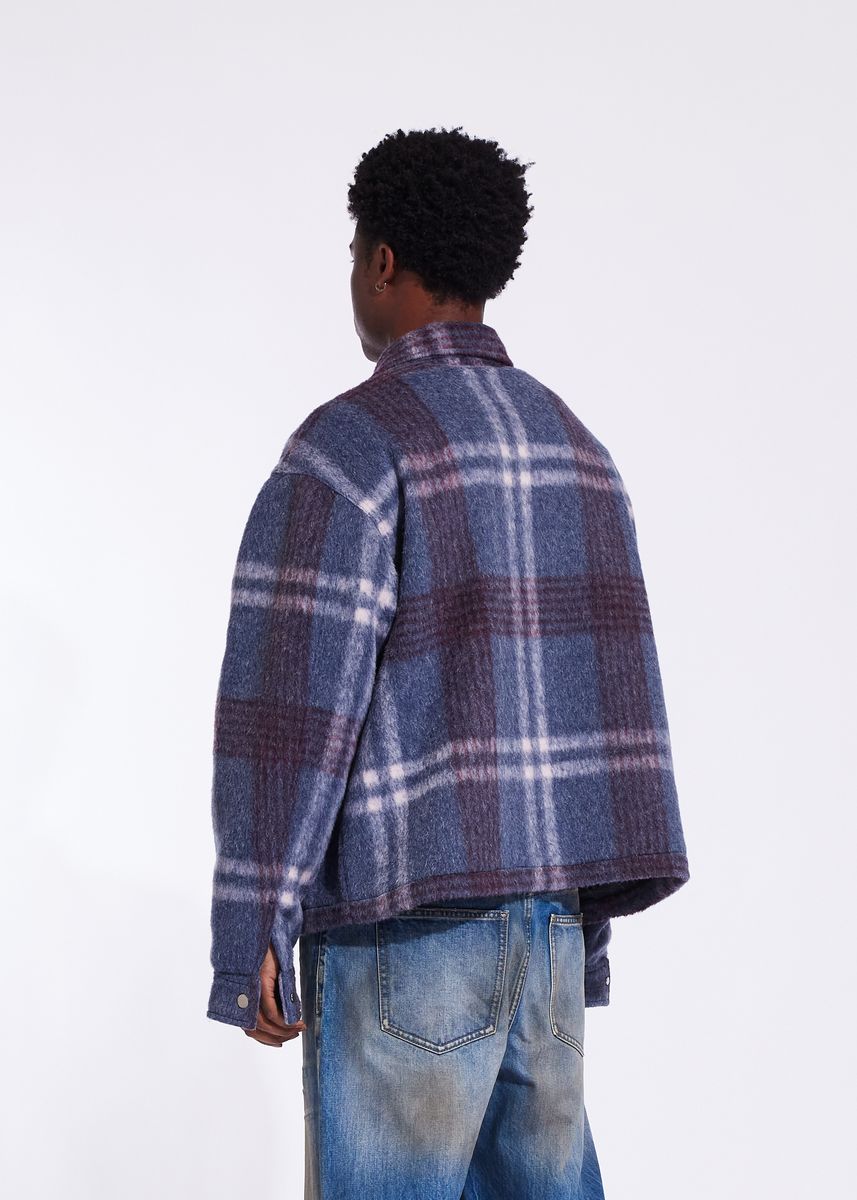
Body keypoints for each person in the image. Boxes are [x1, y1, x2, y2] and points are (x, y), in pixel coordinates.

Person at [205, 125, 689, 1199]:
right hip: (545, 925)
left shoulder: (353, 445)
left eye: (353, 256)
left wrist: (255, 925)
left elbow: (291, 708)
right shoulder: (574, 445)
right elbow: (604, 698)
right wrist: (580, 935)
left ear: (382, 263)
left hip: (406, 926)